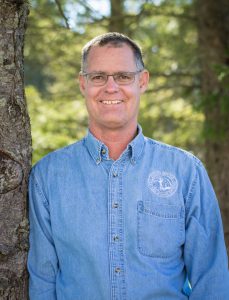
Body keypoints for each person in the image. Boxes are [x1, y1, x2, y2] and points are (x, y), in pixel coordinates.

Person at [28, 32, 229, 299]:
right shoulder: (47, 177)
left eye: (123, 76)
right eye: (98, 77)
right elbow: (43, 283)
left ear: (142, 81)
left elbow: (211, 280)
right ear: (82, 84)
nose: (111, 87)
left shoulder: (186, 172)